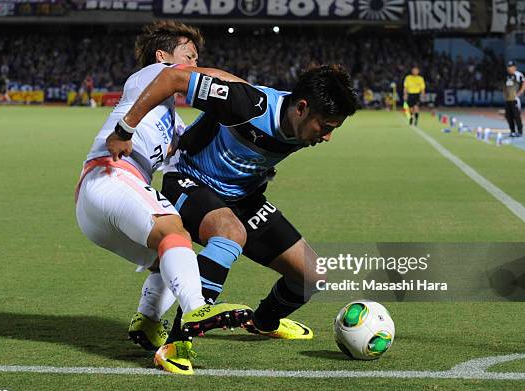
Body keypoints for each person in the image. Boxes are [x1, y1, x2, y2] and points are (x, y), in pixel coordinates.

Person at [106, 64, 360, 347]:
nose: (327, 137)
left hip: (242, 198)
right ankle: (178, 343)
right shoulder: (248, 105)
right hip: (189, 182)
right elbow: (172, 78)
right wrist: (124, 129)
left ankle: (263, 322)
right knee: (230, 234)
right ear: (301, 108)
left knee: (312, 276)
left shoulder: (299, 121)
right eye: (324, 127)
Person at [75, 20, 252, 375]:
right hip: (110, 175)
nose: (194, 62)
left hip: (97, 206)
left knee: (171, 253)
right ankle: (197, 308)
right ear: (163, 56)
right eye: (189, 55)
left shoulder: (170, 120)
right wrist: (250, 92)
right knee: (174, 230)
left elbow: (189, 155)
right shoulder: (150, 74)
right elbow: (197, 77)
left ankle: (148, 320)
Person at [503, 60, 525, 137]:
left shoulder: (518, 74)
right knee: (508, 115)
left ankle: (520, 131)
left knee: (516, 115)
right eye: (508, 67)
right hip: (508, 99)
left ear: (515, 67)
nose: (509, 68)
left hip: (515, 99)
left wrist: (520, 92)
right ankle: (512, 131)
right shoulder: (507, 76)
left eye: (511, 67)